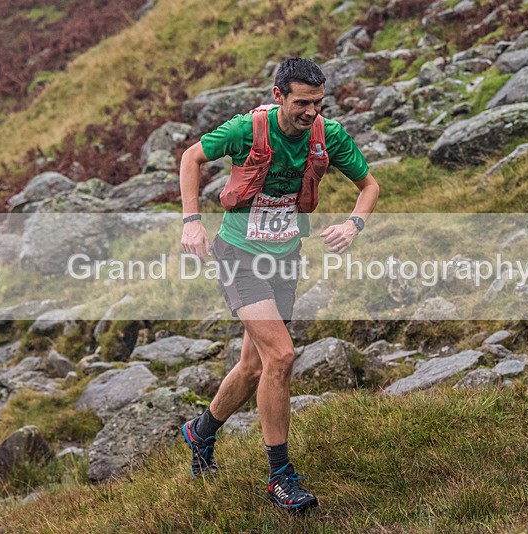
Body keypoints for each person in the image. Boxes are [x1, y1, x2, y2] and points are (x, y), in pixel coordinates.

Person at [178, 57, 380, 514]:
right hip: (238, 256)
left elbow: (370, 186)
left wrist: (354, 225)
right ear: (278, 97)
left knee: (254, 368)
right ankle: (280, 476)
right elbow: (191, 157)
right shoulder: (247, 129)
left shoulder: (328, 136)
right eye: (302, 103)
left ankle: (200, 432)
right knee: (282, 356)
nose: (311, 113)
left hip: (285, 256)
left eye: (318, 103)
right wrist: (192, 222)